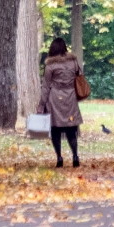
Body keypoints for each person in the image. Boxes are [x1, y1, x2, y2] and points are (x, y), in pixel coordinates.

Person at [39, 37, 86, 167]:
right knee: (71, 129)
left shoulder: (50, 65)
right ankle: (75, 155)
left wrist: (41, 104)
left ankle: (59, 157)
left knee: (55, 129)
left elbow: (46, 86)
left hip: (55, 99)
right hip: (70, 97)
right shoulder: (73, 62)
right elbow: (79, 75)